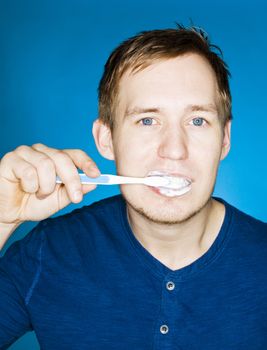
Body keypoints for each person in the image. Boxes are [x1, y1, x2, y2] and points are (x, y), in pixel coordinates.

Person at [0, 24, 266, 350]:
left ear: (224, 139)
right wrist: (1, 218)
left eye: (197, 121)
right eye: (147, 120)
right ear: (106, 139)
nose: (174, 149)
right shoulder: (49, 251)